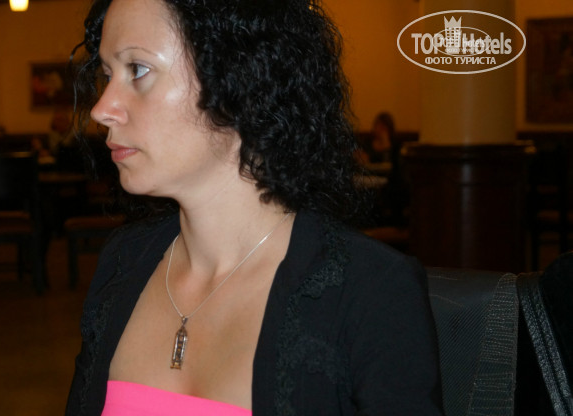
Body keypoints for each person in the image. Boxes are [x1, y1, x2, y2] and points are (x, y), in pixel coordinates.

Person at [65, 0, 442, 414]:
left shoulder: (372, 291)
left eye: (138, 70)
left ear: (240, 78)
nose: (101, 109)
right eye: (107, 75)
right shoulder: (123, 262)